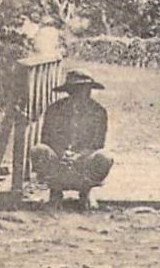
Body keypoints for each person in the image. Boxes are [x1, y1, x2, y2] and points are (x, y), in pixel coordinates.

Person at [30, 70, 114, 208]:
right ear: (69, 91)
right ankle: (55, 192)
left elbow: (98, 143)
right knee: (39, 151)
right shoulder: (55, 110)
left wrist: (79, 155)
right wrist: (62, 153)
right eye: (77, 90)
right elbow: (47, 139)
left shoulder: (98, 112)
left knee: (104, 157)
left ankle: (86, 192)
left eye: (86, 90)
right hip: (58, 158)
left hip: (84, 160)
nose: (82, 94)